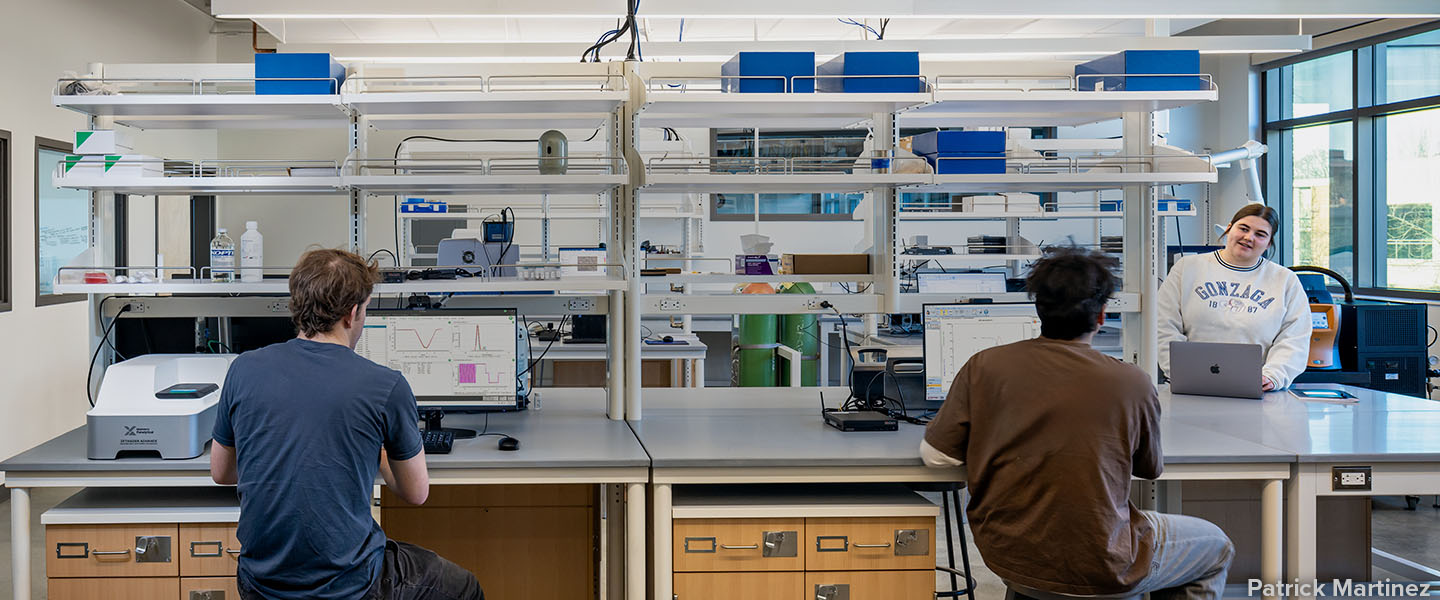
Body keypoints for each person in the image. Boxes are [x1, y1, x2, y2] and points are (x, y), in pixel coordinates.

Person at [921, 247, 1234, 599]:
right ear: (1101, 316)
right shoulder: (1131, 382)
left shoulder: (983, 366)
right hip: (1101, 561)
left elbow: (937, 457)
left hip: (1011, 556)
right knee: (1216, 547)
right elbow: (1149, 468)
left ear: (1038, 309)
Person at [211, 248, 483, 600]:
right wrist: (378, 451)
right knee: (464, 587)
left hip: (260, 584)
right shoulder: (385, 385)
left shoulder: (243, 368)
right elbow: (416, 492)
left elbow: (222, 472)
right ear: (352, 312)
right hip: (349, 586)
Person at [1157, 203, 1310, 391]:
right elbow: (1163, 324)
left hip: (1255, 388)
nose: (1248, 238)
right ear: (1229, 228)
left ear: (1269, 243)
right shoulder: (1187, 267)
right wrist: (1180, 370)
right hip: (1190, 384)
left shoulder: (1285, 280)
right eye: (1243, 228)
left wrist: (1274, 375)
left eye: (1260, 234)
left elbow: (1295, 338)